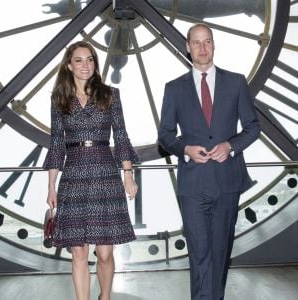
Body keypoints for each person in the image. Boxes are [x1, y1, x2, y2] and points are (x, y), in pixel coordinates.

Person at [158, 23, 260, 300]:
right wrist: (184, 149)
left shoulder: (236, 82)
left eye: (207, 42)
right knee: (200, 253)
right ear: (187, 47)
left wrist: (231, 146)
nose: (203, 48)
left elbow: (253, 127)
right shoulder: (174, 88)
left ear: (214, 45)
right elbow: (165, 135)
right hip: (193, 183)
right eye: (197, 42)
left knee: (220, 253)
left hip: (227, 180)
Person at [43, 41, 139, 300]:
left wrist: (127, 175)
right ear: (68, 64)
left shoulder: (110, 95)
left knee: (105, 253)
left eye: (90, 60)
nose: (85, 65)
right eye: (79, 60)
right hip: (73, 177)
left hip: (105, 174)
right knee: (78, 251)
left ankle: (104, 297)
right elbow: (55, 144)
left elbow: (121, 136)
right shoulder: (59, 99)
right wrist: (51, 186)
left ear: (95, 64)